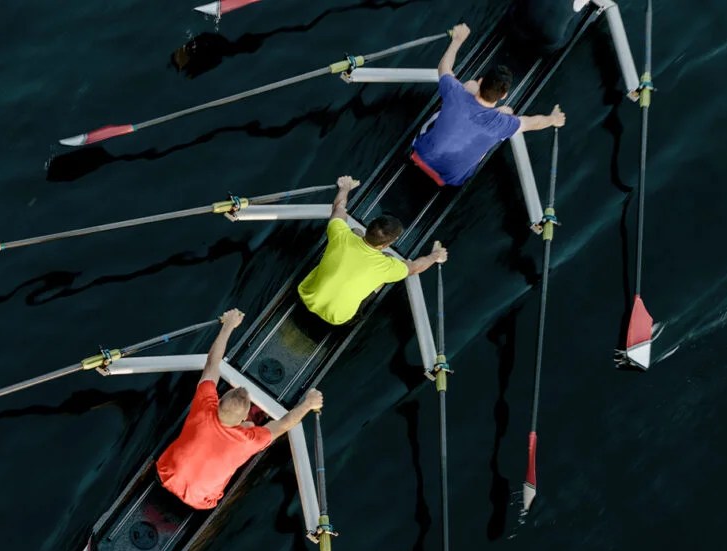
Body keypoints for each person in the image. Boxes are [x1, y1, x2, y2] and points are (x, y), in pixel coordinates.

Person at [156, 308, 324, 510]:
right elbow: (285, 423)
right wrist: (309, 403)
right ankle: (252, 420)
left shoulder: (203, 407)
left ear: (217, 401)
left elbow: (212, 362)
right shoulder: (249, 442)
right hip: (201, 502)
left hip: (164, 474)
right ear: (244, 414)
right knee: (253, 425)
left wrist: (228, 326)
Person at [411, 23, 567, 188]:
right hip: (450, 178)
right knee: (507, 112)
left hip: (419, 152)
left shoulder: (454, 93)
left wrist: (457, 40)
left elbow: (444, 67)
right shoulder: (501, 124)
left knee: (467, 86)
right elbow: (534, 122)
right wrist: (554, 119)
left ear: (481, 81)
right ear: (504, 95)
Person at [298, 176, 449, 325]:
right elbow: (416, 267)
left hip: (306, 294)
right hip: (337, 318)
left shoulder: (340, 234)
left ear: (370, 225)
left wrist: (345, 187)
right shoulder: (387, 266)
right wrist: (436, 255)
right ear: (387, 243)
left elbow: (338, 207)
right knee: (387, 270)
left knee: (353, 232)